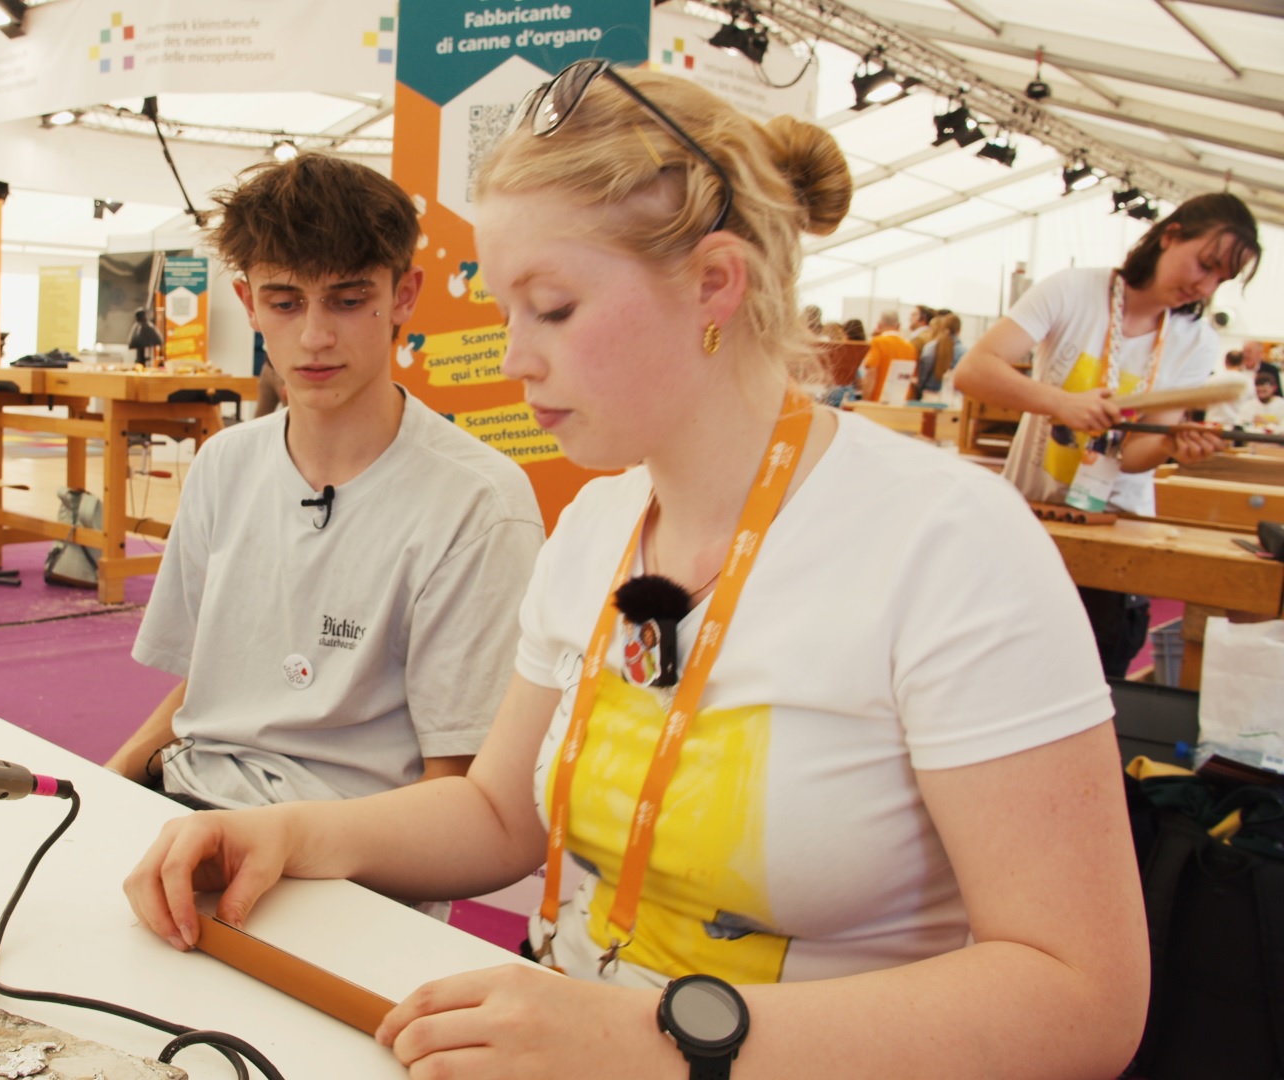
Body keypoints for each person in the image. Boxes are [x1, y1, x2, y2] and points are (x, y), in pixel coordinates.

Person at [126, 65, 1148, 1078]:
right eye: (508, 310)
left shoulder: (949, 543)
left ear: (713, 282)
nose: (516, 357)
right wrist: (286, 832)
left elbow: (1082, 998)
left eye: (554, 309)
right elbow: (496, 815)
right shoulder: (600, 525)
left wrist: (654, 1039)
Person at [104, 153, 545, 820]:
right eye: (285, 302)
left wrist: (275, 845)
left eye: (348, 300)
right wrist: (105, 787)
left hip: (354, 856)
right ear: (248, 302)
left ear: (402, 295)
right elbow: (212, 686)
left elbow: (456, 783)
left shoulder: (478, 505)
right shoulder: (223, 464)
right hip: (187, 802)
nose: (314, 336)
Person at [954, 192, 1259, 675]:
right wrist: (1061, 403)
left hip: (1118, 537)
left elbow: (1135, 456)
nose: (1206, 285)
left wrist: (1169, 445)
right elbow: (973, 370)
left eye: (1221, 278)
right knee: (1000, 674)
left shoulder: (1195, 341)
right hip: (1032, 518)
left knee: (1095, 682)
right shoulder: (1074, 290)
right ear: (1170, 235)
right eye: (1204, 264)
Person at [860, 309, 916, 400]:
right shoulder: (910, 347)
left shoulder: (877, 342)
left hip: (878, 400)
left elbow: (871, 373)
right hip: (900, 400)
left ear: (879, 325)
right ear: (899, 326)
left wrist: (865, 400)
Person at [913, 311, 963, 397]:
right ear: (958, 330)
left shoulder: (930, 348)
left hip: (928, 396)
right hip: (953, 399)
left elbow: (923, 377)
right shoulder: (964, 352)